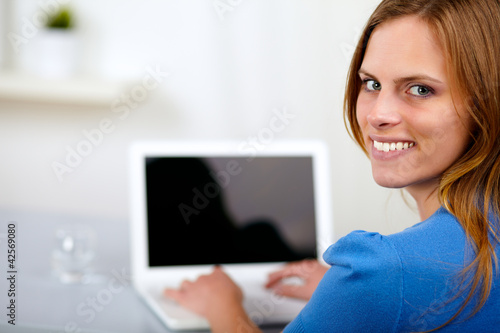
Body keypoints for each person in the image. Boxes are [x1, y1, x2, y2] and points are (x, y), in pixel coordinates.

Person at [164, 0, 500, 331]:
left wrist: (222, 305)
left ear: (489, 103)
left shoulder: (383, 273)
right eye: (372, 84)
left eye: (420, 89)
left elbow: (401, 282)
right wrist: (346, 297)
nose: (377, 114)